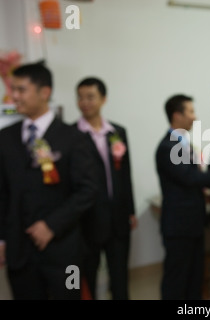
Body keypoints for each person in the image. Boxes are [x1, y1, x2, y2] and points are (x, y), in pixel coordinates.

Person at [0, 63, 97, 300]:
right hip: (19, 252)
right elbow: (2, 193)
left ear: (44, 92)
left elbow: (87, 190)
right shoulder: (5, 138)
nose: (14, 96)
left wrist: (51, 225)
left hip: (63, 253)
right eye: (13, 89)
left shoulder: (73, 138)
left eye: (21, 90)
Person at [155, 94, 210, 300]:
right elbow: (190, 177)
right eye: (191, 111)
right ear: (177, 115)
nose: (195, 117)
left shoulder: (183, 143)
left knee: (195, 277)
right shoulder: (168, 147)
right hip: (179, 226)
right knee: (177, 279)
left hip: (192, 223)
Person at [75, 77, 136, 300]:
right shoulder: (71, 135)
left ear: (103, 99)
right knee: (86, 277)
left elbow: (125, 175)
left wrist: (130, 210)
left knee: (120, 276)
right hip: (86, 221)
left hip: (118, 217)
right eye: (80, 97)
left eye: (90, 97)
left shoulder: (117, 132)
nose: (84, 102)